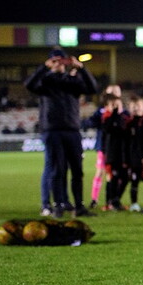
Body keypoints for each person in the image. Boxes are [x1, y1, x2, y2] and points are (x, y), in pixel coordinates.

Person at [24, 47, 98, 218]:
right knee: (57, 170)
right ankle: (58, 205)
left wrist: (81, 68)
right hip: (52, 130)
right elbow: (29, 84)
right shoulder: (46, 81)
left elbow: (92, 88)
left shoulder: (72, 81)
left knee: (77, 170)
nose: (58, 64)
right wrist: (44, 68)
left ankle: (79, 206)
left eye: (60, 60)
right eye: (55, 61)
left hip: (72, 130)